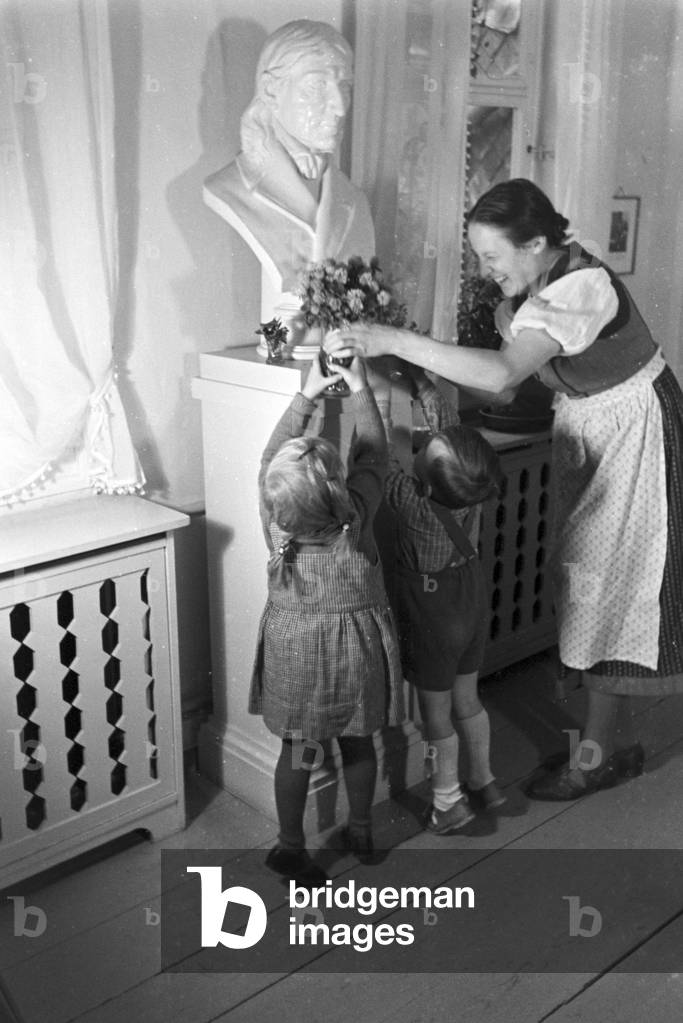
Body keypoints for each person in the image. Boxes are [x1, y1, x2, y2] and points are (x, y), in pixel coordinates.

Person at [325, 178, 683, 801]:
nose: (486, 270)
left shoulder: (581, 287)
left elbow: (502, 373)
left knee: (611, 589)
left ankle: (594, 757)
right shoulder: (536, 290)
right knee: (585, 579)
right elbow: (503, 391)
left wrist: (393, 340)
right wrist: (411, 371)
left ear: (538, 242)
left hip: (635, 431)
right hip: (591, 423)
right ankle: (595, 749)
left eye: (493, 257)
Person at [250, 354, 403, 883]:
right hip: (355, 654)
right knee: (360, 742)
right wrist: (359, 386)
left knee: (298, 751)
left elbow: (269, 456)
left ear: (276, 499)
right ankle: (360, 828)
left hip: (296, 656)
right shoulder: (356, 521)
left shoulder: (277, 528)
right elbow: (375, 455)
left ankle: (290, 846)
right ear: (340, 492)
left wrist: (306, 395)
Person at [371, 361, 505, 832]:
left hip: (432, 612)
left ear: (423, 481)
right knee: (468, 699)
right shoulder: (474, 487)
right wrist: (421, 382)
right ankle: (485, 780)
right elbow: (452, 433)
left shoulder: (412, 502)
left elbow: (382, 455)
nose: (426, 439)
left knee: (435, 714)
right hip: (468, 598)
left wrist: (376, 395)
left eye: (425, 447)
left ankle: (448, 800)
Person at [203, 20, 374, 299]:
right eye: (318, 85)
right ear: (271, 90)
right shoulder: (228, 187)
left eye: (345, 86)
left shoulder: (356, 202)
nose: (340, 107)